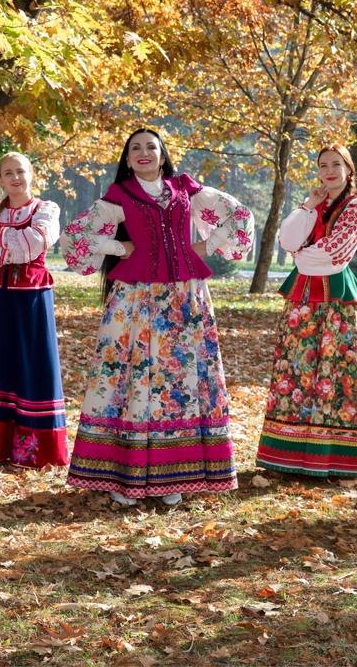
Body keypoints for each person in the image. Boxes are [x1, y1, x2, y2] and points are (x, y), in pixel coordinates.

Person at [60, 127, 254, 506]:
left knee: (179, 379)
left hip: (184, 298)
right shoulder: (120, 196)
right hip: (133, 301)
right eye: (136, 149)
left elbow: (239, 215)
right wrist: (119, 245)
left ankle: (176, 473)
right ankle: (123, 474)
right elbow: (73, 237)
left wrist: (207, 244)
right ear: (128, 159)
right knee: (129, 377)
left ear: (163, 155)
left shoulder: (186, 189)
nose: (144, 153)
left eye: (151, 147)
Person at [255, 144, 357, 479]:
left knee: (335, 371)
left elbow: (336, 252)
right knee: (297, 370)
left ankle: (335, 459)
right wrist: (308, 206)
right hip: (302, 299)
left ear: (349, 170)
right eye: (323, 164)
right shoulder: (313, 206)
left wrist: (302, 256)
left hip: (336, 301)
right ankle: (290, 456)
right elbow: (287, 239)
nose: (328, 171)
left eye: (336, 164)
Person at [0, 152, 68, 468]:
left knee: (29, 363)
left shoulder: (46, 209)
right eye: (8, 172)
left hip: (29, 301)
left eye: (20, 171)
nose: (15, 177)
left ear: (31, 174)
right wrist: (8, 243)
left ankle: (31, 448)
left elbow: (36, 243)